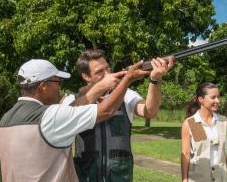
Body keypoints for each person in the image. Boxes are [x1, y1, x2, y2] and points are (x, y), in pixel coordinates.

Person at [0, 58, 148, 181]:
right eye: (58, 82)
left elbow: (73, 108)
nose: (59, 88)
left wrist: (98, 88)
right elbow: (106, 110)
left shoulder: (5, 120)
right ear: (43, 86)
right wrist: (127, 79)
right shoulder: (49, 116)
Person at [63, 49, 174, 182]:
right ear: (86, 76)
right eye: (100, 72)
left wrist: (155, 79)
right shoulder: (71, 99)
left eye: (108, 68)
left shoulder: (126, 95)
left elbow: (150, 111)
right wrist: (101, 88)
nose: (108, 74)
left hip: (120, 176)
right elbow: (65, 117)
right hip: (85, 176)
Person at [181, 82, 227, 182]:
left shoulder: (224, 122)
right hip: (198, 178)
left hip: (221, 178)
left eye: (218, 97)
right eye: (213, 97)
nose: (217, 101)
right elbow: (186, 154)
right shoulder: (192, 123)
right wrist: (185, 179)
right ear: (201, 99)